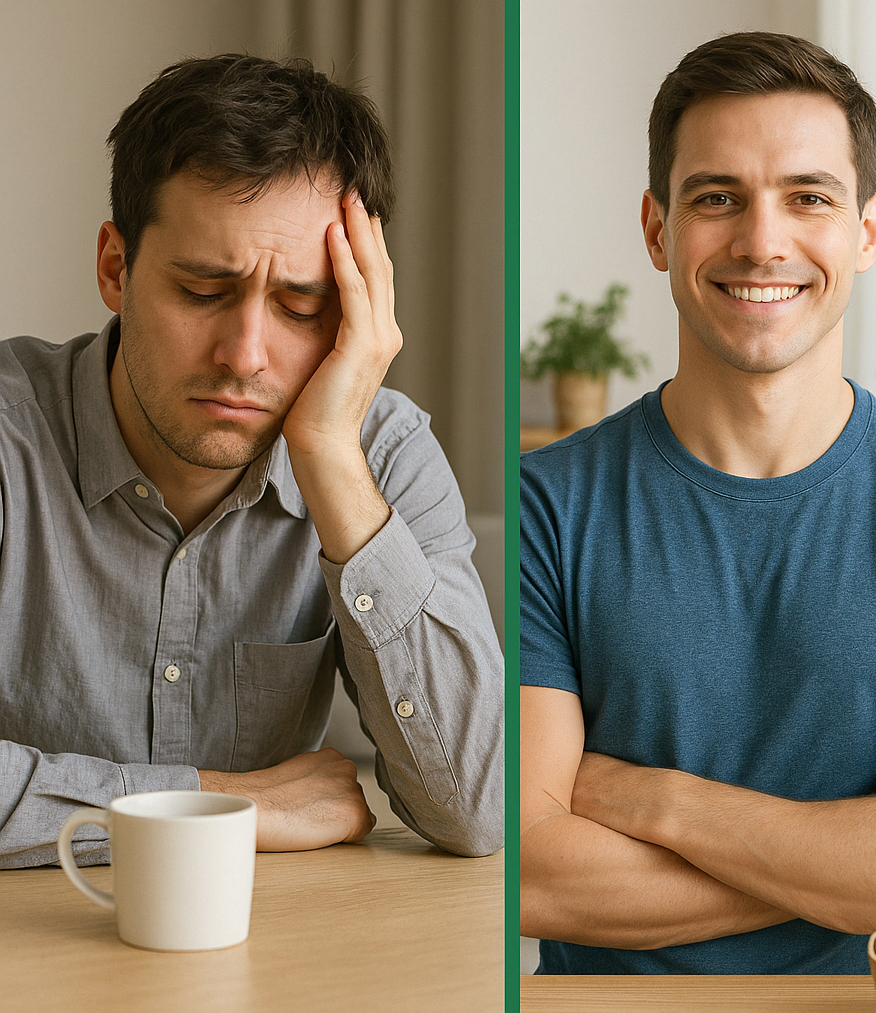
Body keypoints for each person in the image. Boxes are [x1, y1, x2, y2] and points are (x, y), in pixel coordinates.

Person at [520, 31, 876, 975]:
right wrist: (868, 845)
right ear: (657, 229)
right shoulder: (543, 508)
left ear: (867, 231)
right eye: (717, 198)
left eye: (809, 198)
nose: (762, 242)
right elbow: (533, 876)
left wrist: (660, 802)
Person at [0, 54, 503, 869]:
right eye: (203, 292)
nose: (245, 355)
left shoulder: (384, 454)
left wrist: (331, 456)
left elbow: (479, 809)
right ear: (115, 269)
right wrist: (218, 804)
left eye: (302, 306)